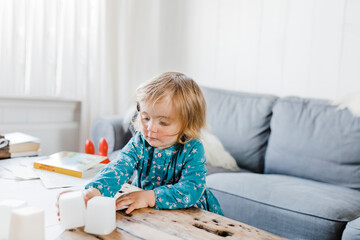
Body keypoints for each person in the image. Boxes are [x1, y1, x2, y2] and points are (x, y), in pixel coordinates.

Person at [57, 72, 223, 217]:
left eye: (163, 123)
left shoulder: (193, 148)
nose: (150, 128)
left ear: (188, 124)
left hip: (189, 212)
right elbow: (118, 168)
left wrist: (150, 197)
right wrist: (94, 191)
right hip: (145, 209)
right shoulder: (140, 142)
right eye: (145, 118)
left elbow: (192, 188)